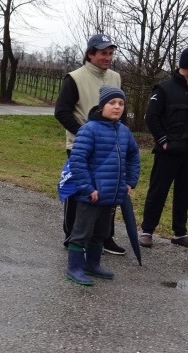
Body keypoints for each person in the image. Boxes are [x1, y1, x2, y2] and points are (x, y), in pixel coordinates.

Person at [54, 34, 128, 255]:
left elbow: (121, 111)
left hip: (109, 148)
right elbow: (62, 112)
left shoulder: (115, 77)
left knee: (108, 193)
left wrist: (121, 137)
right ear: (90, 54)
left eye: (110, 53)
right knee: (80, 192)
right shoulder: (74, 78)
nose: (108, 57)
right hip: (80, 146)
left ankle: (104, 237)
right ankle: (73, 237)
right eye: (103, 53)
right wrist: (86, 135)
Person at [139, 47, 188, 250]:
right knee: (158, 191)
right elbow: (151, 117)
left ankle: (180, 233)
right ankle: (147, 231)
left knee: (184, 193)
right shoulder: (164, 89)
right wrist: (163, 140)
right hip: (168, 153)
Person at [66, 86, 140, 286]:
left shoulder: (124, 131)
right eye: (112, 103)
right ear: (101, 106)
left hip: (111, 195)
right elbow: (77, 161)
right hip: (91, 195)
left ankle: (93, 264)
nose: (117, 107)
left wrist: (130, 182)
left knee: (101, 232)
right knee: (82, 233)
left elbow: (133, 156)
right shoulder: (89, 130)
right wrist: (88, 188)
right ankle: (74, 267)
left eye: (121, 103)